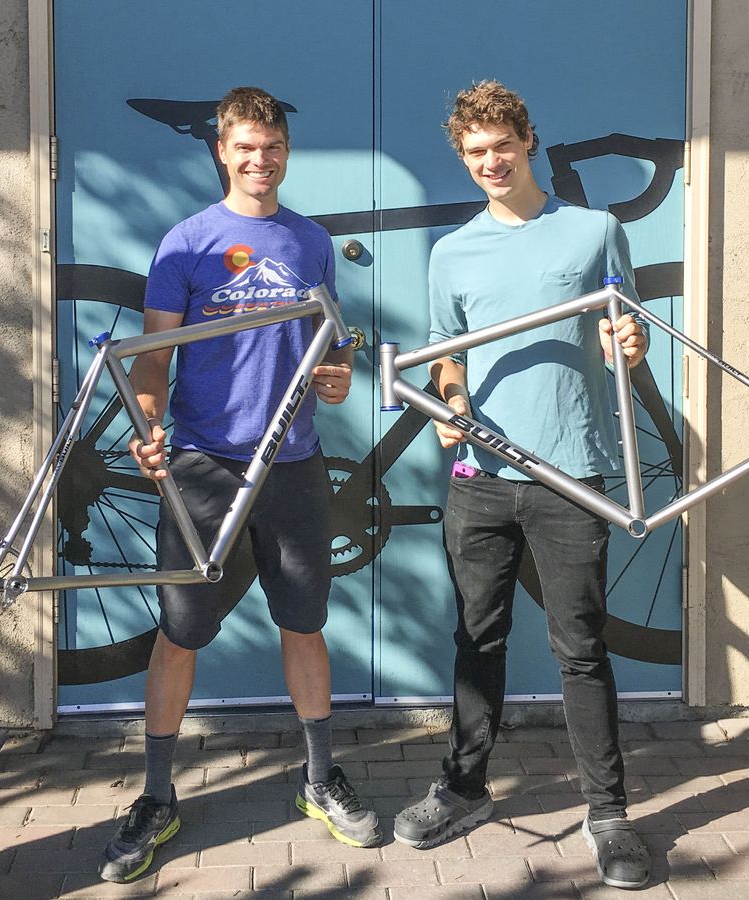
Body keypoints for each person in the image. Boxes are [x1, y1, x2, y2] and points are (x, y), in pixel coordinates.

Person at [99, 86, 380, 884]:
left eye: (274, 148)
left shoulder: (311, 242)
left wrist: (337, 376)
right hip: (203, 467)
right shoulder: (185, 243)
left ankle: (318, 778)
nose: (262, 161)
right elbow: (154, 361)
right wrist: (147, 423)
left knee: (305, 625)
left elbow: (331, 348)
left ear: (286, 151)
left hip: (290, 466)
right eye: (247, 148)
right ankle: (157, 796)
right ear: (224, 150)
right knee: (182, 633)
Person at [393, 81, 652, 890]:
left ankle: (607, 814)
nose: (490, 164)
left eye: (501, 147)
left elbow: (625, 335)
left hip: (570, 471)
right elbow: (448, 353)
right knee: (478, 640)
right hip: (482, 480)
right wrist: (450, 404)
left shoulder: (593, 231)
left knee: (580, 648)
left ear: (528, 140)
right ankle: (465, 788)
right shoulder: (454, 251)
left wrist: (629, 345)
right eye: (474, 154)